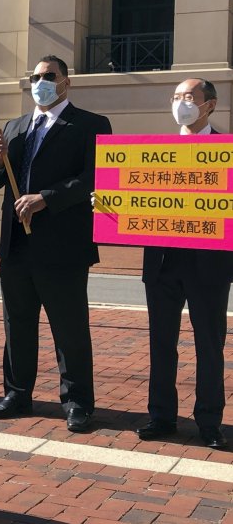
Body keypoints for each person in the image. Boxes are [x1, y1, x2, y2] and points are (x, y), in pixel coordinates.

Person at [0, 55, 112, 432]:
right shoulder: (15, 126)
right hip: (16, 247)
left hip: (63, 246)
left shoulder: (90, 124)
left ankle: (77, 402)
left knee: (69, 328)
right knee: (17, 325)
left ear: (66, 82)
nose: (41, 81)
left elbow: (94, 177)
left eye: (49, 76)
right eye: (36, 76)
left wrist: (46, 198)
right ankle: (17, 393)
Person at [136, 78, 232, 449]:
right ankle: (161, 416)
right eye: (176, 97)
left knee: (210, 344)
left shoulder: (226, 151)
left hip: (209, 266)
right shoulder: (150, 153)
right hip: (162, 262)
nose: (181, 103)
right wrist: (110, 203)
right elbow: (135, 198)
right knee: (162, 342)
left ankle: (209, 421)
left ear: (210, 105)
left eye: (189, 97)